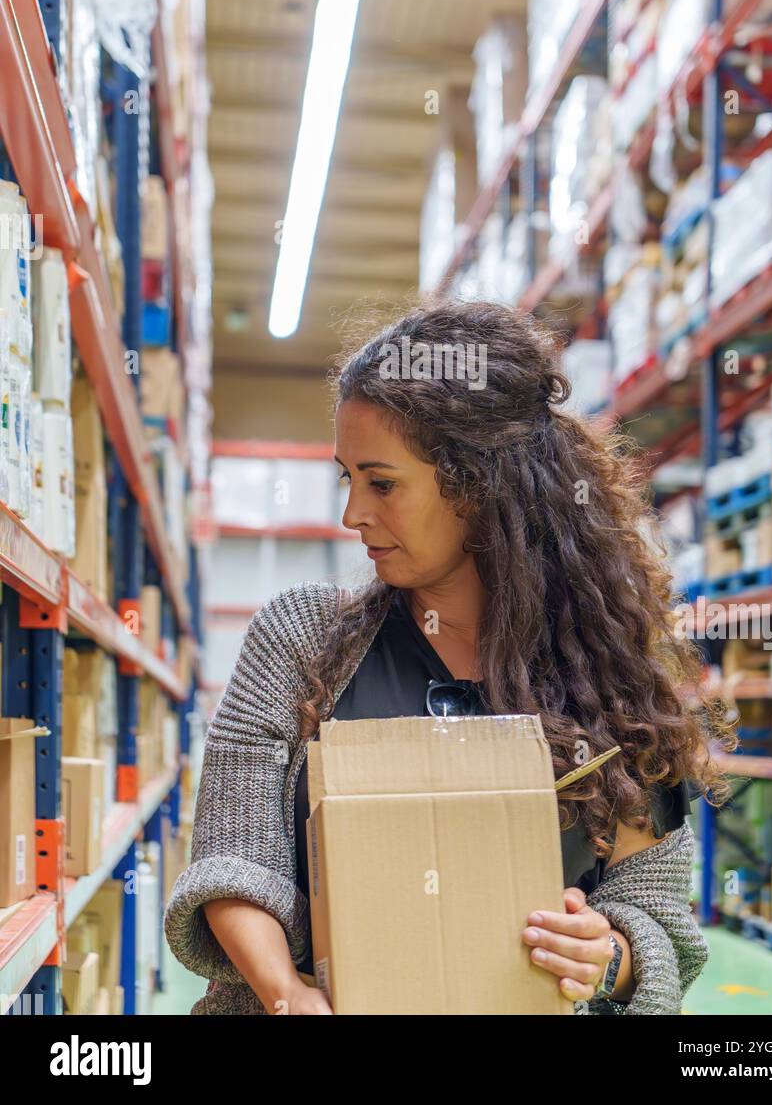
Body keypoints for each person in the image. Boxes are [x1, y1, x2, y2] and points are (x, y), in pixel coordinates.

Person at [165, 300, 734, 1015]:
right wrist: (284, 993)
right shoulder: (300, 640)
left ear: (478, 483)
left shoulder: (611, 676)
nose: (353, 515)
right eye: (348, 479)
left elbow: (656, 924)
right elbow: (233, 857)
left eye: (382, 482)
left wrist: (608, 954)